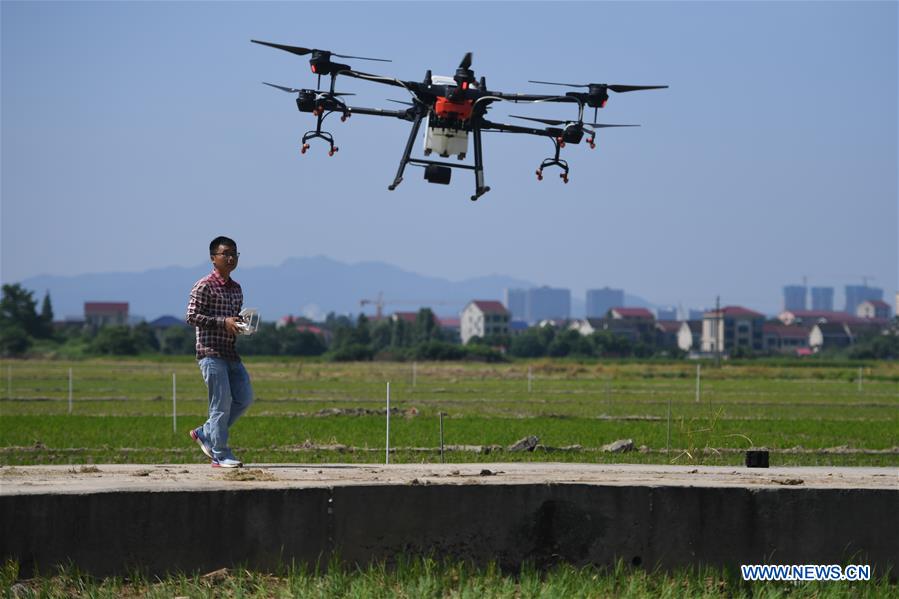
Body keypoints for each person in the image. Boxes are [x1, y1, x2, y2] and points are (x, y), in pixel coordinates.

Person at [185, 235, 253, 468]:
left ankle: (205, 432)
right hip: (210, 352)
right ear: (214, 258)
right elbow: (192, 316)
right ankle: (220, 453)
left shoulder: (236, 289)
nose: (231, 257)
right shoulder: (204, 285)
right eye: (226, 253)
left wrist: (240, 324)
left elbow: (233, 318)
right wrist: (223, 322)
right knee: (220, 405)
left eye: (235, 253)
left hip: (230, 352)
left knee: (244, 398)